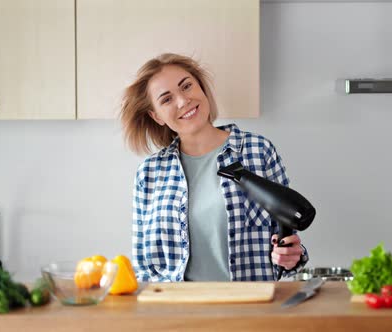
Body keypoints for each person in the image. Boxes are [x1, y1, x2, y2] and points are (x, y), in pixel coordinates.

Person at [120, 53, 308, 282]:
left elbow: (288, 247)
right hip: (176, 310)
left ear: (201, 88)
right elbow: (143, 268)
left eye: (187, 86)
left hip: (249, 307)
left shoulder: (258, 152)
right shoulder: (149, 174)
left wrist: (290, 257)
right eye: (166, 99)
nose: (183, 101)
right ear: (156, 116)